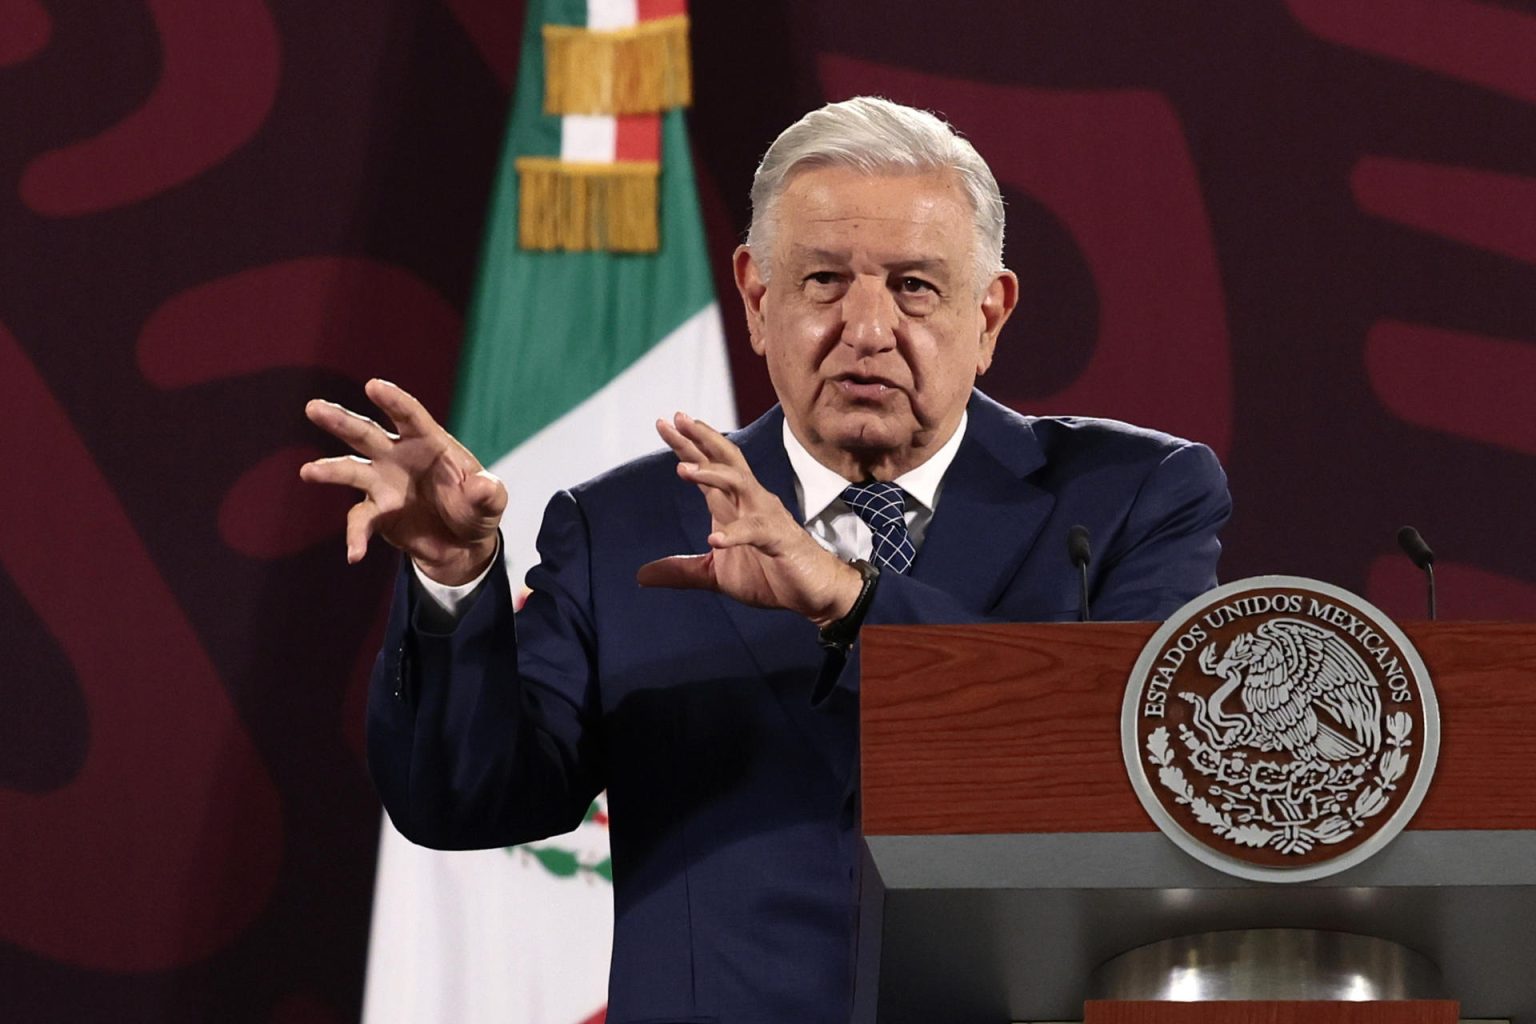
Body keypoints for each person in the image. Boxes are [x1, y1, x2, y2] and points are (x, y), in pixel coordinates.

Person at [301, 97, 1231, 1023]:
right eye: (825, 280)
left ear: (989, 314)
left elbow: (1152, 775)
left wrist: (852, 603)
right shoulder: (625, 525)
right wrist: (455, 577)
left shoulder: (1127, 499)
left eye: (914, 285)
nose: (867, 328)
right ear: (756, 298)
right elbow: (462, 801)